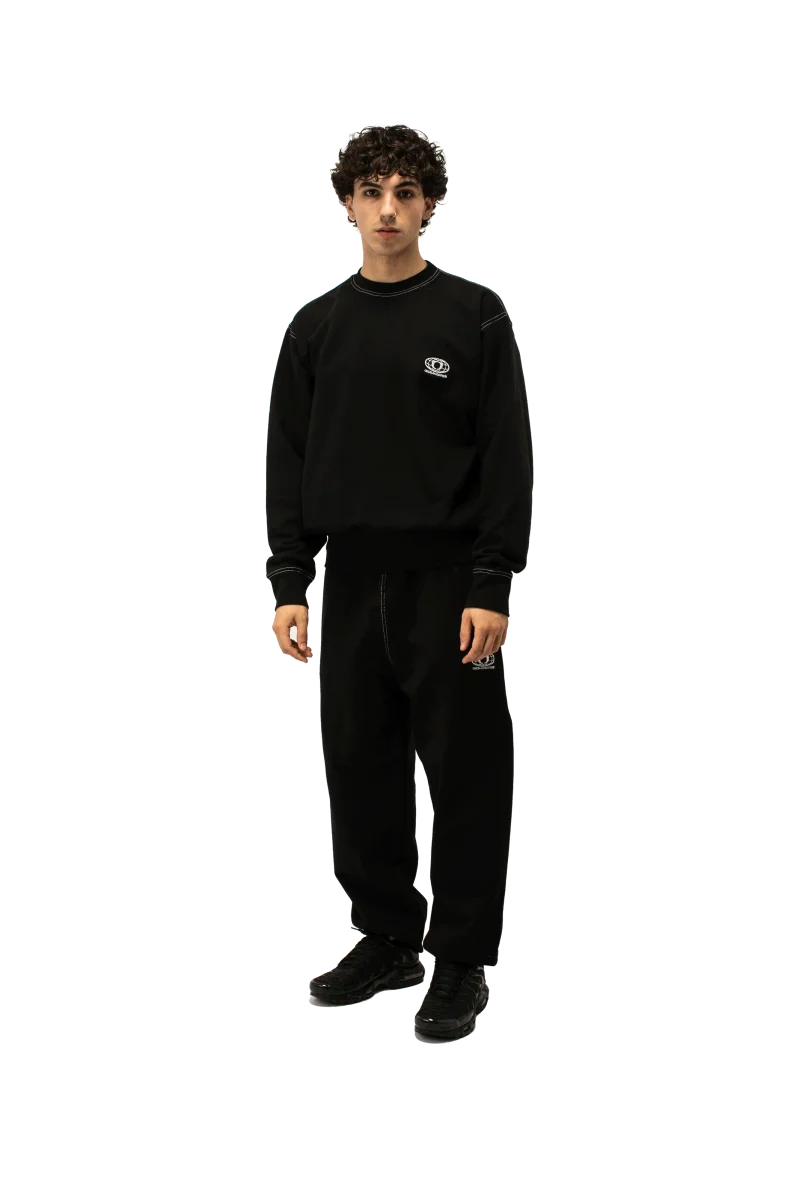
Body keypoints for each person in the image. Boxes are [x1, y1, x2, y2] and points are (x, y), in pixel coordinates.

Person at [266, 124, 533, 1043]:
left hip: (449, 579)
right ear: (346, 203)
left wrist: (491, 583)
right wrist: (290, 579)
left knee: (465, 774)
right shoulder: (316, 328)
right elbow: (287, 462)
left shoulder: (473, 317)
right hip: (350, 581)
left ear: (429, 204)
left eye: (405, 193)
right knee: (359, 766)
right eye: (371, 191)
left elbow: (507, 460)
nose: (387, 209)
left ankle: (459, 957)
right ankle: (385, 936)